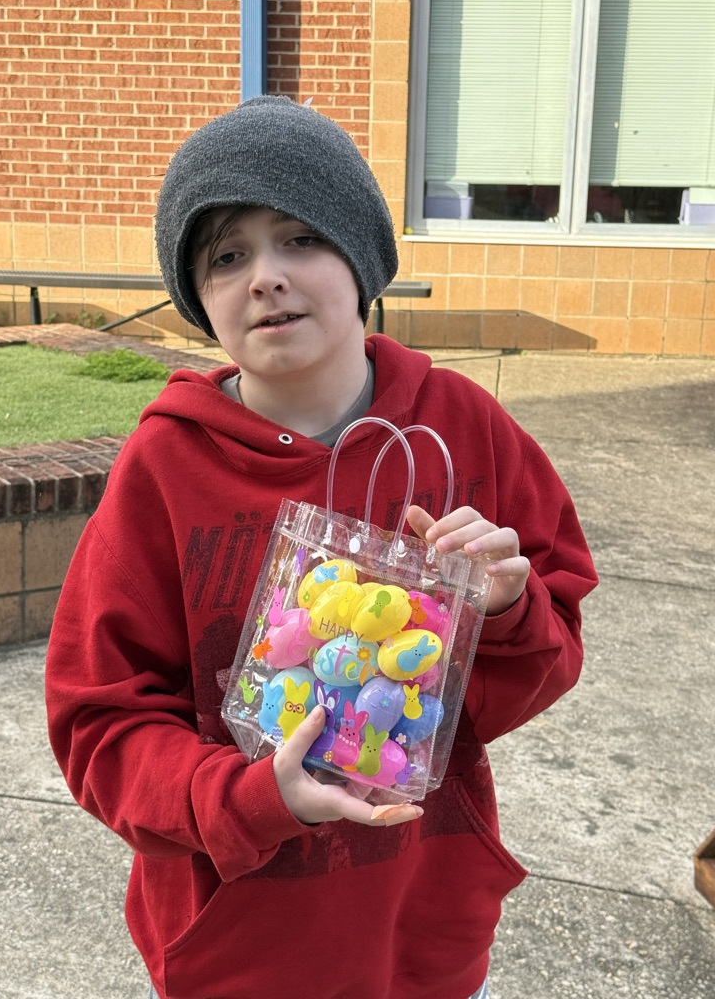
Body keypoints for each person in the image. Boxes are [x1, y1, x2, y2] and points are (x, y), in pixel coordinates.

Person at [45, 95, 598, 999]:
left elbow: (548, 654)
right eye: (226, 254)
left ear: (363, 258)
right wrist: (250, 798)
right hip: (236, 943)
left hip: (422, 921)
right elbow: (98, 720)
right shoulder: (166, 464)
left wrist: (503, 609)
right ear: (198, 296)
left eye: (300, 236)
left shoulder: (465, 429)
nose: (265, 275)